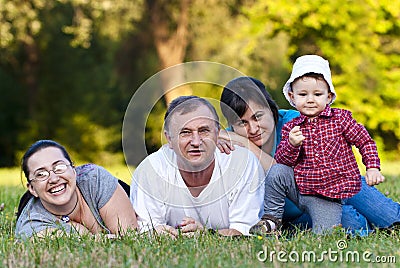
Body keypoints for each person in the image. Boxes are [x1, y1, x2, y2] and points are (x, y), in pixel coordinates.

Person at [219, 75, 400, 234]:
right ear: (231, 124)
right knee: (350, 223)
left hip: (334, 186)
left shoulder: (295, 122)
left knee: (381, 209)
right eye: (242, 123)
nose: (253, 128)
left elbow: (280, 169)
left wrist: (247, 145)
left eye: (258, 116)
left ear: (271, 108)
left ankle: (391, 220)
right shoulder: (230, 141)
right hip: (298, 215)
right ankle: (368, 225)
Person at [274, 54, 384, 233]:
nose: (310, 99)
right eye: (303, 94)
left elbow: (364, 141)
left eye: (317, 94)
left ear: (329, 96)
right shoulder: (291, 128)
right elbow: (283, 162)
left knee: (386, 214)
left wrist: (372, 167)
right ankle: (367, 225)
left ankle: (384, 220)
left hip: (347, 186)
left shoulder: (340, 119)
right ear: (292, 97)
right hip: (319, 197)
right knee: (348, 228)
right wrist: (292, 145)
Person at [130, 96, 265, 238]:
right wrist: (159, 234)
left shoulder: (242, 163)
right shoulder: (151, 170)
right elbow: (147, 232)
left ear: (217, 133)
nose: (196, 141)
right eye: (185, 132)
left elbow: (246, 233)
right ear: (169, 139)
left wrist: (207, 235)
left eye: (204, 131)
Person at [15, 140, 139, 239]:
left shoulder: (95, 179)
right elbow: (86, 243)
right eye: (41, 174)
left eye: (59, 167)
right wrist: (78, 231)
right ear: (32, 188)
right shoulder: (31, 225)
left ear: (74, 170)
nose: (53, 179)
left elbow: (130, 237)